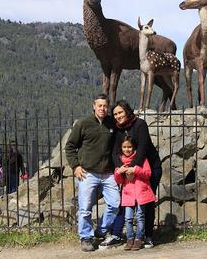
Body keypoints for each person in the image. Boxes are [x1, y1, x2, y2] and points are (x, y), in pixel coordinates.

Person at [101, 100, 162, 249]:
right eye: (115, 114)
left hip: (149, 168)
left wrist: (132, 169)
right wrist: (121, 168)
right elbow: (115, 152)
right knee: (126, 202)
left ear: (127, 111)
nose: (118, 116)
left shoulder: (140, 125)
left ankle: (147, 236)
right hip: (127, 171)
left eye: (120, 112)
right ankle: (119, 234)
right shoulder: (117, 129)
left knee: (146, 203)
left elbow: (143, 149)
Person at [65, 93, 121, 252]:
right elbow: (70, 146)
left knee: (115, 203)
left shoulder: (112, 123)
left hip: (108, 172)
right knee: (85, 207)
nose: (103, 108)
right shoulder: (83, 124)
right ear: (94, 106)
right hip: (87, 173)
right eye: (100, 105)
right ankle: (86, 237)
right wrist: (75, 166)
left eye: (105, 106)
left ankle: (101, 230)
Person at [114, 136, 155, 251]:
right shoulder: (121, 161)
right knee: (128, 218)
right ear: (121, 148)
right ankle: (130, 238)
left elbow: (148, 174)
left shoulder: (142, 159)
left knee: (140, 217)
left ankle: (139, 238)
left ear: (134, 147)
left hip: (141, 193)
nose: (127, 149)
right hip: (128, 195)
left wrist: (136, 170)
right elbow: (119, 181)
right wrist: (119, 172)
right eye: (124, 147)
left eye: (129, 147)